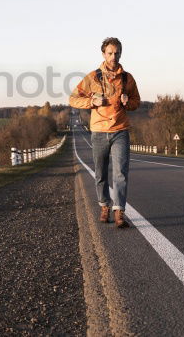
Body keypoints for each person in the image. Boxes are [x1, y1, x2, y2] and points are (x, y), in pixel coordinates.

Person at [69, 37, 141, 227]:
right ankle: (104, 206)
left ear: (120, 53)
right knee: (100, 173)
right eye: (110, 53)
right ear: (103, 54)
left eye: (117, 53)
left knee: (120, 173)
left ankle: (119, 212)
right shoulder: (92, 77)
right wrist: (91, 102)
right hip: (99, 131)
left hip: (120, 131)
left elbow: (136, 102)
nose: (113, 56)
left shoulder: (127, 78)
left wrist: (128, 102)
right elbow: (73, 99)